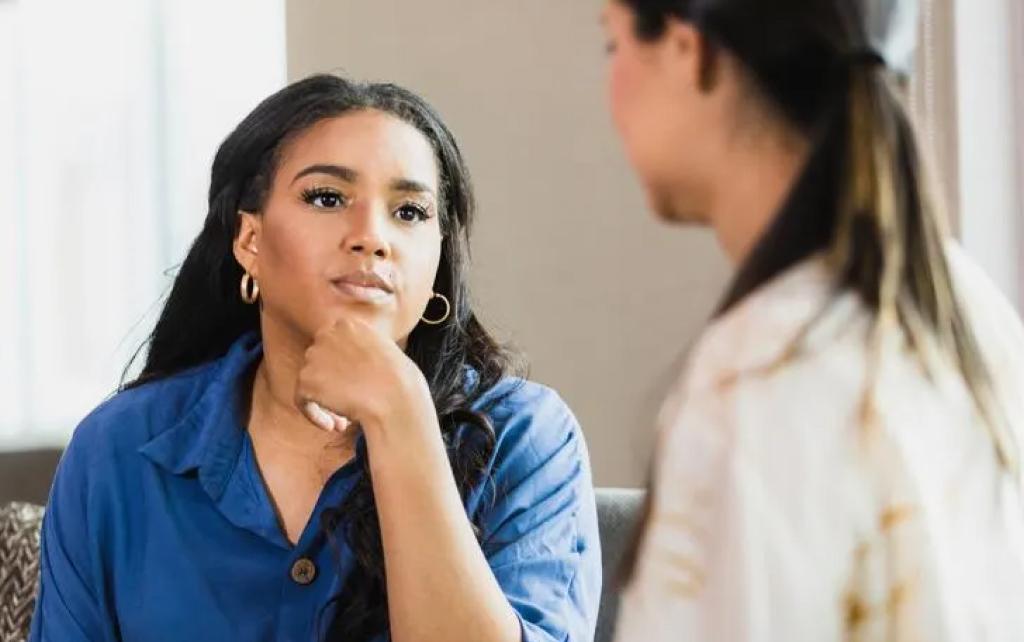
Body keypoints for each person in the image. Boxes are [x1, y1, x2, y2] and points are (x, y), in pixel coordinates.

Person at [30, 74, 601, 642]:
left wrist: (401, 417)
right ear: (249, 241)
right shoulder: (118, 450)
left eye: (409, 212)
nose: (372, 236)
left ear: (437, 261)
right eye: (327, 198)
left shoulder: (524, 440)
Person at [599, 0, 1024, 639]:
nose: (610, 88)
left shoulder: (755, 380)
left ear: (691, 51)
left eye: (614, 46)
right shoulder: (973, 317)